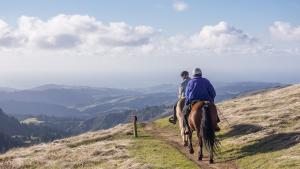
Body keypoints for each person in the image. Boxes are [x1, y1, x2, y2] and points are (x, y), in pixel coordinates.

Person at [182, 68, 220, 133]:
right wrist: (211, 100)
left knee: (184, 112)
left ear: (193, 74)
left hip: (193, 101)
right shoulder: (206, 81)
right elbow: (213, 93)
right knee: (213, 108)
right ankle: (215, 124)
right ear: (201, 73)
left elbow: (187, 94)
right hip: (206, 100)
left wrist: (187, 102)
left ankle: (187, 128)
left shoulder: (190, 82)